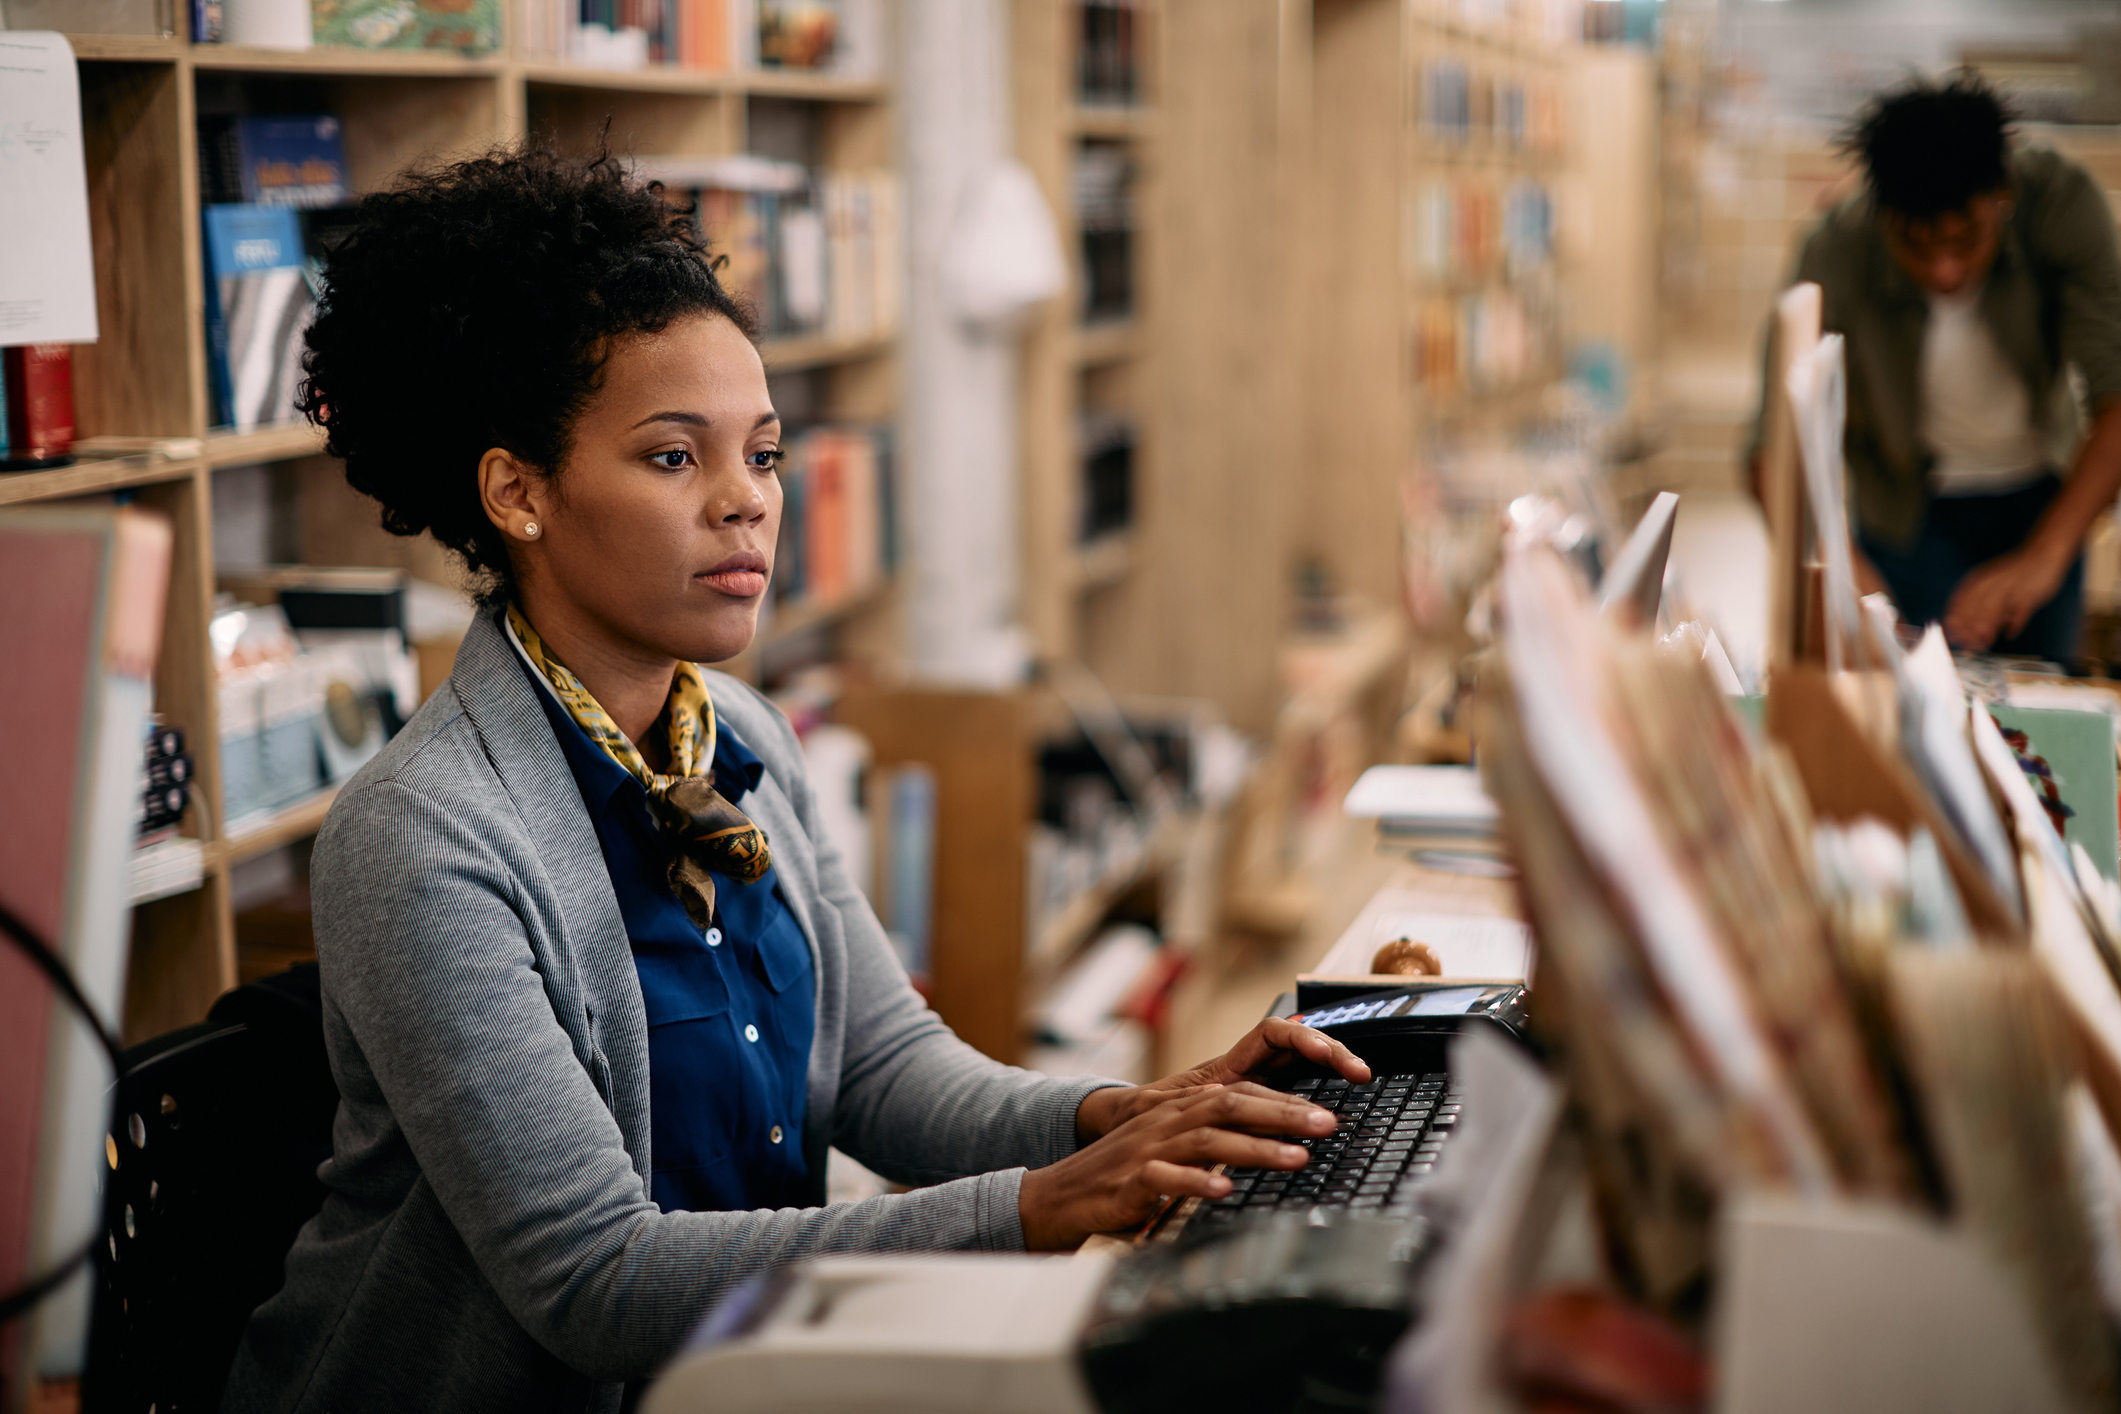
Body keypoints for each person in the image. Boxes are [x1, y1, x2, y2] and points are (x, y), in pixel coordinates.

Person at [221, 149, 1368, 1414]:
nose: (747, 506)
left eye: (762, 456)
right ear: (519, 493)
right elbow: (595, 1279)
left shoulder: (743, 738)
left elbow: (887, 1074)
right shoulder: (423, 835)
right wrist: (1047, 1203)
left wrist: (1127, 1112)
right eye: (674, 459)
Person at [1751, 73, 2121, 659]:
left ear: (2001, 198)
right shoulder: (1836, 246)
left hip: (2040, 495)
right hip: (1907, 513)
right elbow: (1769, 447)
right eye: (1916, 246)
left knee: (2039, 705)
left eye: (1965, 240)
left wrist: (2045, 557)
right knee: (1910, 702)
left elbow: (2117, 401)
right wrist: (1842, 568)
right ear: (1882, 216)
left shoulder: (2061, 201)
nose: (1944, 270)